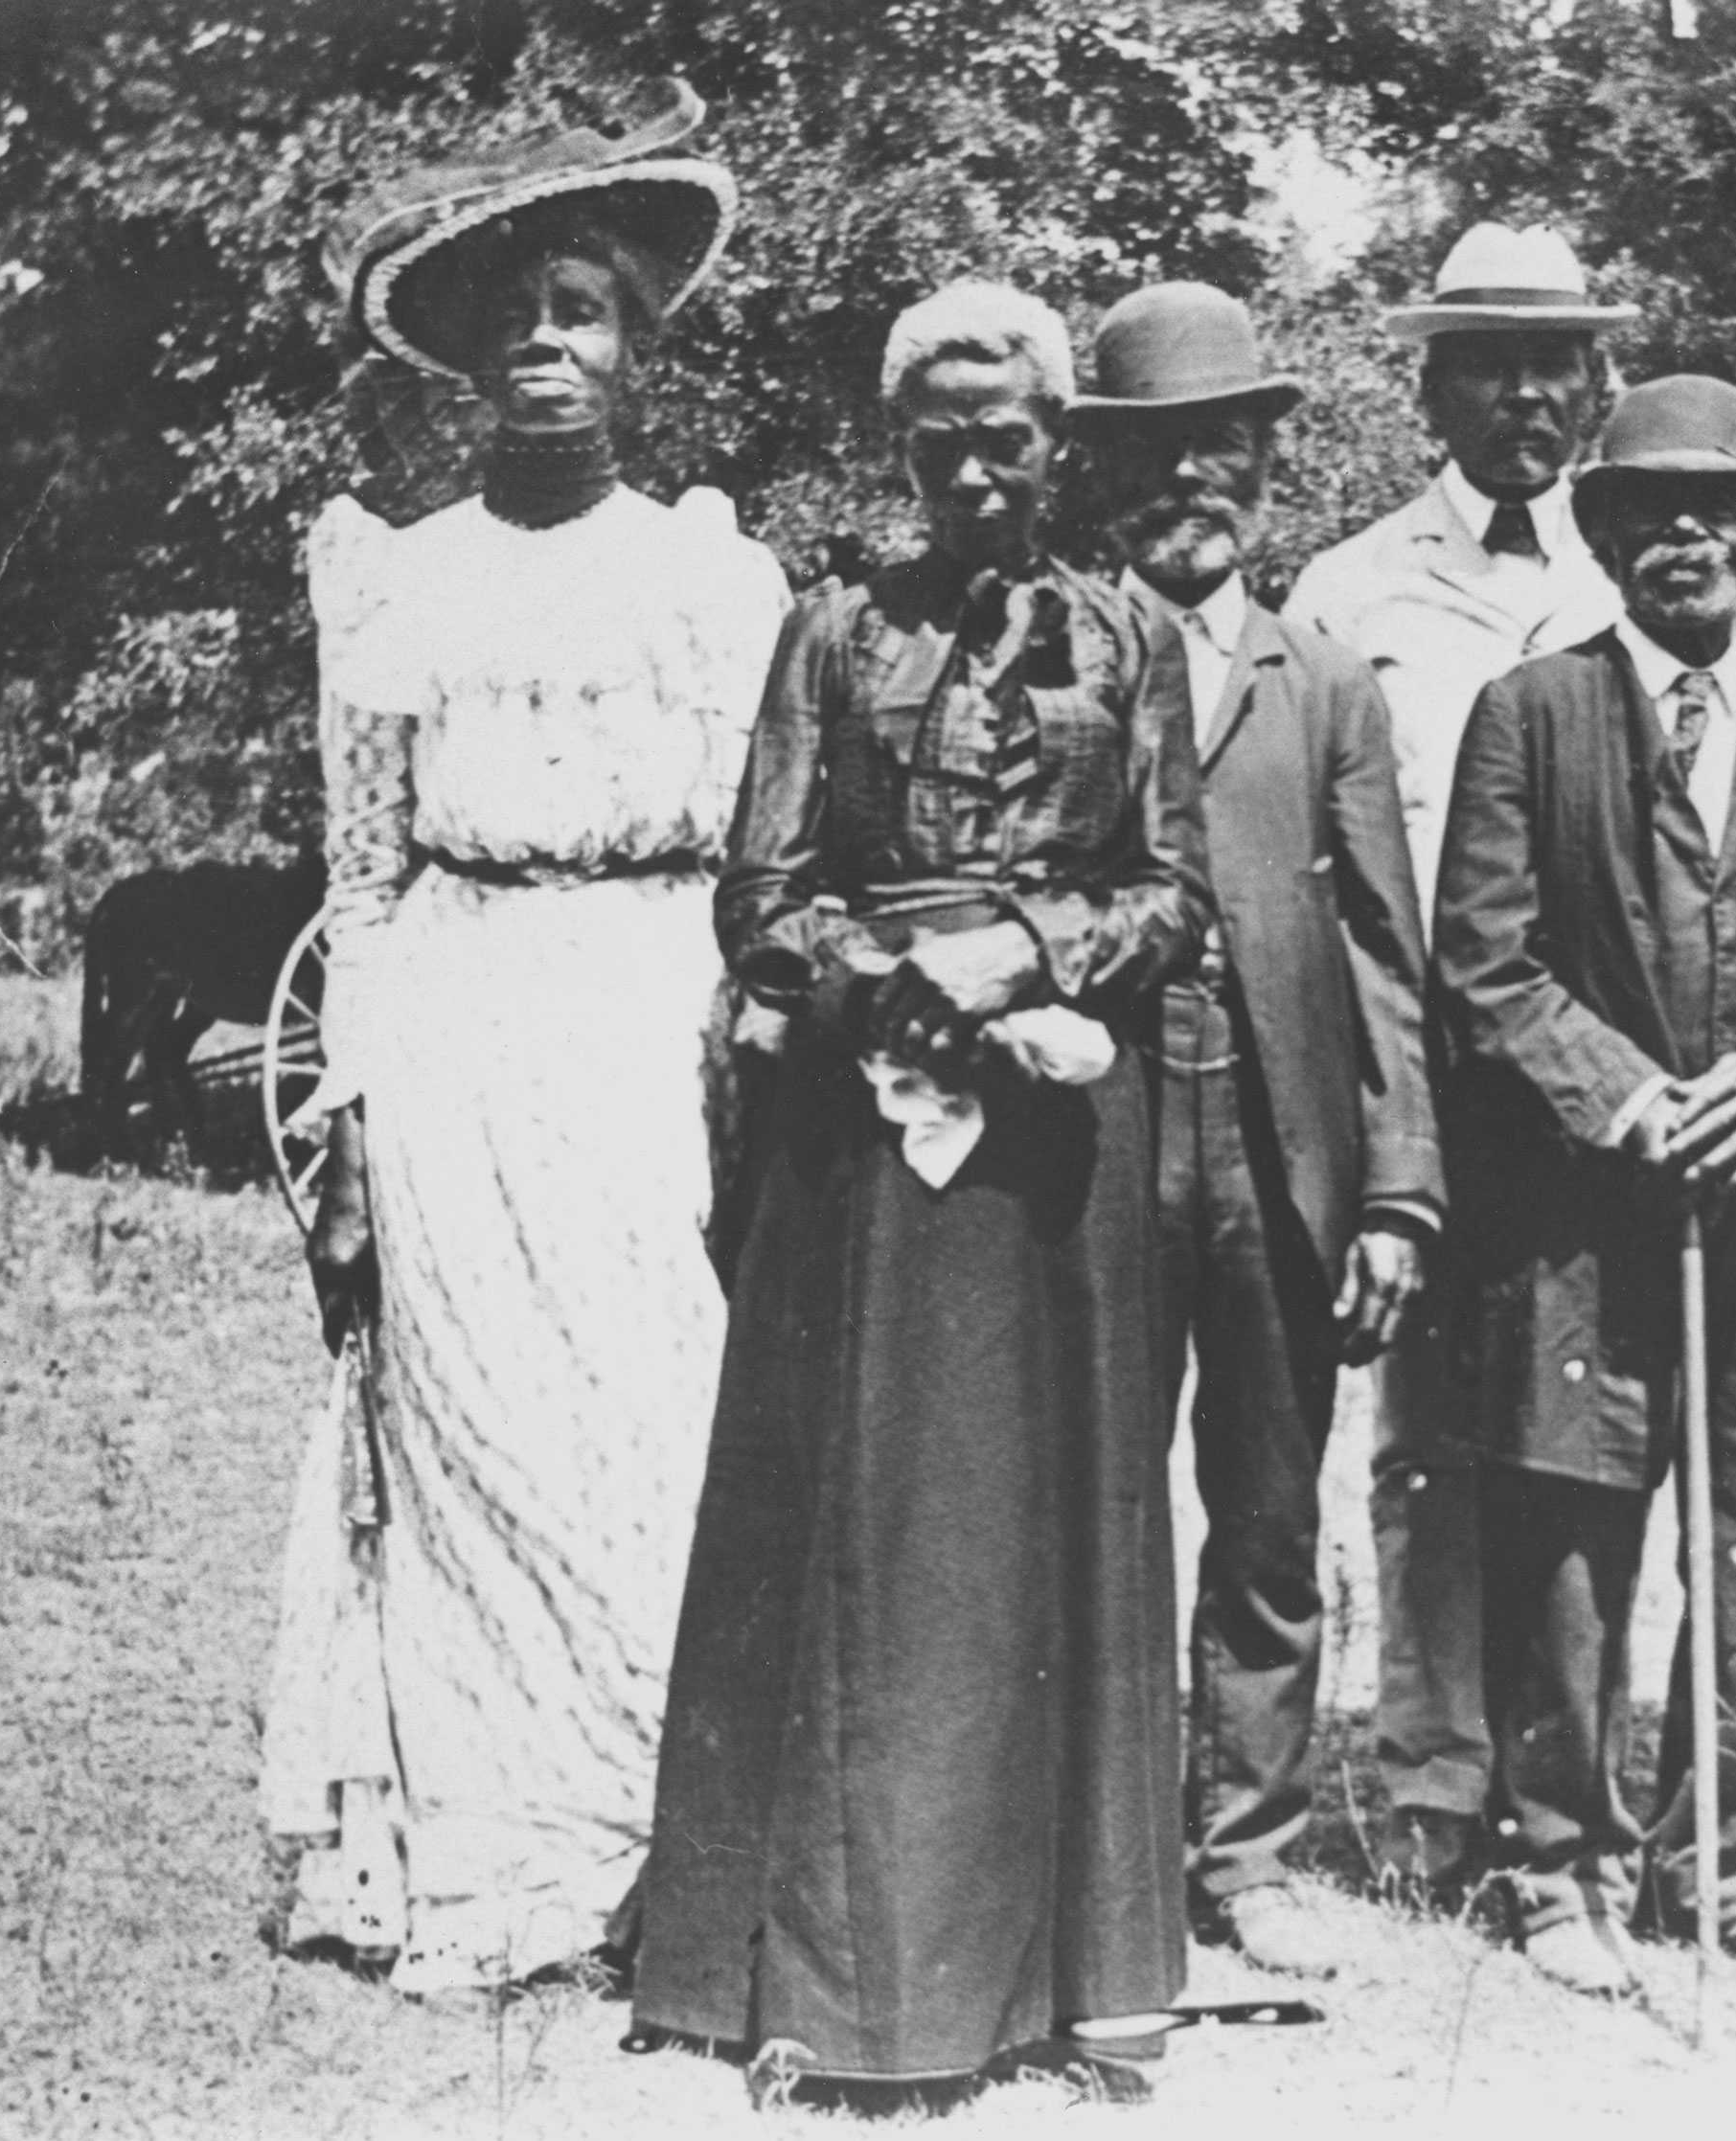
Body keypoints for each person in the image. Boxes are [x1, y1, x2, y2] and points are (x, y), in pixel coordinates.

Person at [630, 281, 1214, 2094]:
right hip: (858, 1141)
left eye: (1009, 434)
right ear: (901, 448)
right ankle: (824, 1982)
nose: (976, 465)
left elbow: (1176, 891)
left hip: (1053, 1149)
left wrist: (1027, 952)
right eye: (940, 436)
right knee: (860, 1531)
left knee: (1045, 1528)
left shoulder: (1129, 638)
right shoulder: (828, 632)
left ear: (1058, 446)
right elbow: (760, 888)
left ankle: (1058, 1981)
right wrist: (898, 992)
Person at [259, 84, 791, 1993]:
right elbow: (370, 877)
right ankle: (485, 1852)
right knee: (470, 1429)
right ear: (473, 363)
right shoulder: (400, 580)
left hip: (650, 1029)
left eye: (584, 310)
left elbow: (759, 866)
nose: (546, 347)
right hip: (463, 1024)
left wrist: (744, 1062)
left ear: (643, 349)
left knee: (645, 1425)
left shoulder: (712, 582)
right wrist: (358, 1115)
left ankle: (658, 1837)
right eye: (519, 319)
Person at [1430, 376, 1736, 1993]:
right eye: (1646, 512)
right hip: (1580, 1212)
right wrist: (1629, 1099)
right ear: (1605, 535)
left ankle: (1735, 1856)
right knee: (1569, 1528)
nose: (1683, 538)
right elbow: (1484, 969)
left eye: (1717, 512)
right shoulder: (1533, 714)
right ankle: (1549, 1862)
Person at [1069, 284, 1442, 1978]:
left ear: (1264, 467)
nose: (1188, 485)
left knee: (1269, 1512)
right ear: (1106, 475)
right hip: (1095, 1139)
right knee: (1093, 1495)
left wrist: (1398, 1196)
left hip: (1284, 1144)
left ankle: (1252, 1844)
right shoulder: (1053, 652)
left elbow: (1384, 950)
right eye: (1152, 456)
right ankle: (1096, 1838)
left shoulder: (1330, 681)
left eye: (1218, 450)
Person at [1280, 221, 1630, 1890]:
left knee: (1582, 1436)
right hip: (1417, 1073)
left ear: (1593, 381)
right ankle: (1427, 1780)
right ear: (1429, 380)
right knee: (1423, 1434)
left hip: (1595, 1082)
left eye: (1555, 362)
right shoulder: (1347, 593)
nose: (1527, 396)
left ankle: (1572, 1769)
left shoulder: (1639, 572)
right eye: (1489, 360)